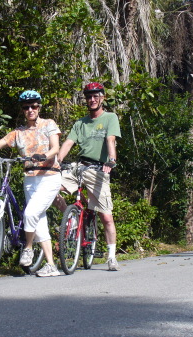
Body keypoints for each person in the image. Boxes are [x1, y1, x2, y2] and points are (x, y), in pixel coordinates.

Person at [0, 90, 62, 277]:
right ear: (23, 110)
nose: (30, 110)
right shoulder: (19, 132)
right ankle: (51, 265)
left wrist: (44, 155)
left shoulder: (49, 124)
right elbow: (0, 143)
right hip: (30, 179)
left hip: (50, 176)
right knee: (38, 220)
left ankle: (28, 248)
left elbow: (55, 148)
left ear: (39, 107)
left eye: (33, 106)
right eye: (26, 107)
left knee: (30, 213)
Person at [54, 82, 121, 271]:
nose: (92, 99)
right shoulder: (80, 123)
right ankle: (73, 216)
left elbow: (111, 140)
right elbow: (68, 143)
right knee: (49, 189)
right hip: (79, 167)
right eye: (89, 97)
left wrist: (111, 159)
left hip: (99, 169)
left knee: (106, 217)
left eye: (96, 96)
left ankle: (111, 256)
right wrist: (57, 160)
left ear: (102, 98)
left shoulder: (110, 118)